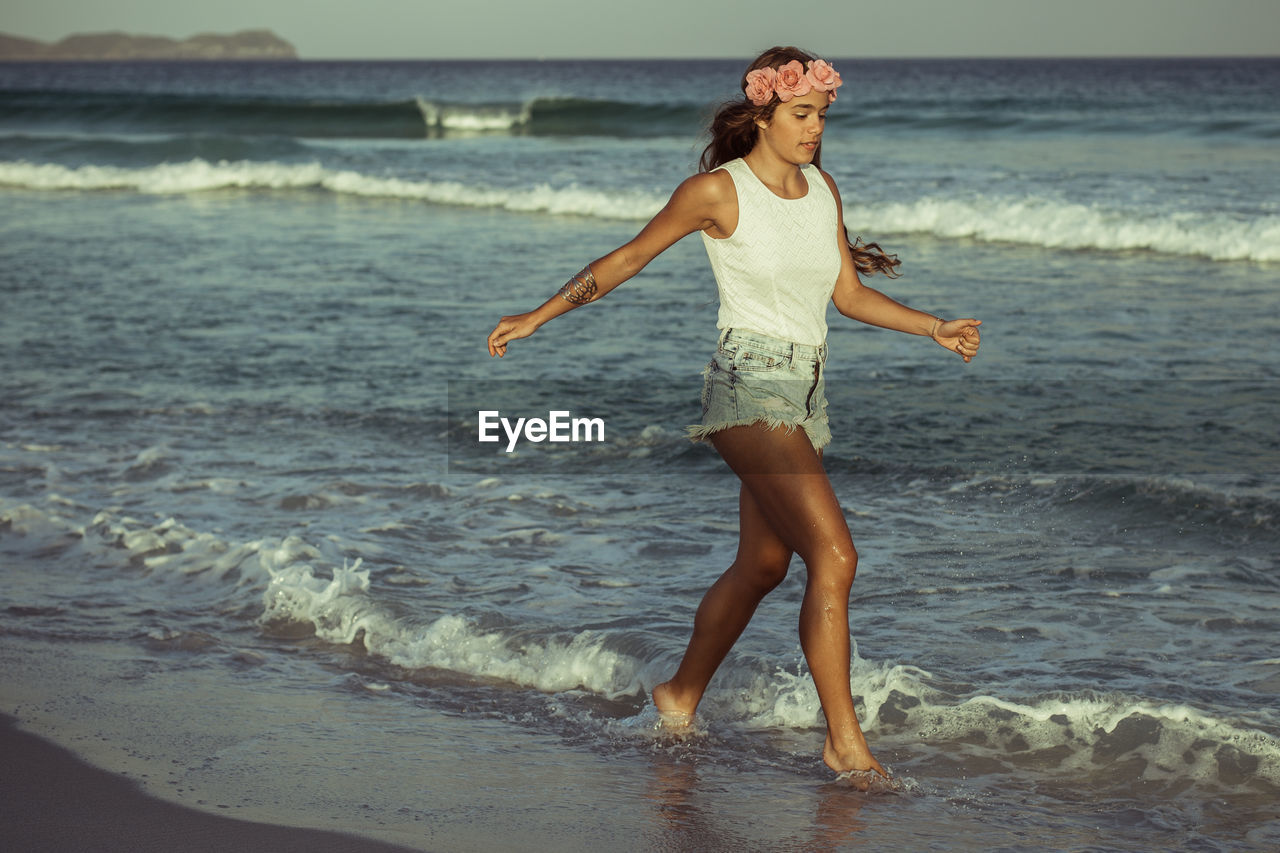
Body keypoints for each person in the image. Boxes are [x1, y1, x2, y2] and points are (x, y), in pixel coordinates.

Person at [487, 46, 981, 785]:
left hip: (805, 396)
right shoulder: (719, 192)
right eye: (802, 114)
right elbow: (627, 258)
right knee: (837, 556)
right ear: (763, 112)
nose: (815, 129)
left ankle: (679, 693)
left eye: (822, 115)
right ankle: (844, 741)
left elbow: (846, 295)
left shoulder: (823, 190)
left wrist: (933, 326)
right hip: (747, 390)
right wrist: (540, 314)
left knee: (763, 563)